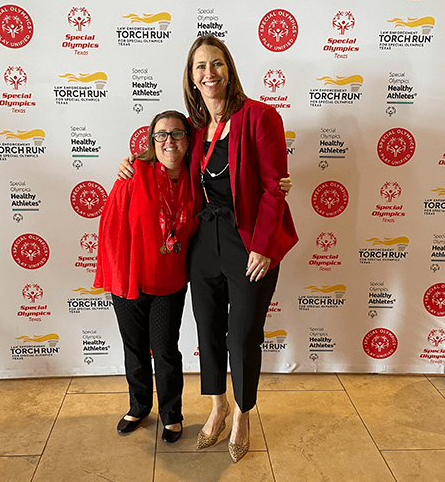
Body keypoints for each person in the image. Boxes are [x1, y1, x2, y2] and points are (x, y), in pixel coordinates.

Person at [117, 36, 297, 463]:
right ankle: (216, 407)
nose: (209, 73)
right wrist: (131, 163)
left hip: (249, 240)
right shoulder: (198, 129)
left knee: (244, 334)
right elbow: (169, 159)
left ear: (229, 69)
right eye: (200, 66)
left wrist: (264, 245)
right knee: (208, 329)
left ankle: (242, 413)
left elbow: (275, 187)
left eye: (216, 64)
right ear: (191, 77)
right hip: (204, 243)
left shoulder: (259, 116)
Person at [94, 110, 198, 444]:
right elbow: (110, 228)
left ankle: (171, 415)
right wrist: (118, 279)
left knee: (165, 351)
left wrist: (276, 182)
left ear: (188, 139)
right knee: (134, 348)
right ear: (152, 142)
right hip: (130, 281)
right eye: (161, 135)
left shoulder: (198, 179)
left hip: (170, 282)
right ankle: (139, 406)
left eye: (178, 133)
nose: (170, 141)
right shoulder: (134, 173)